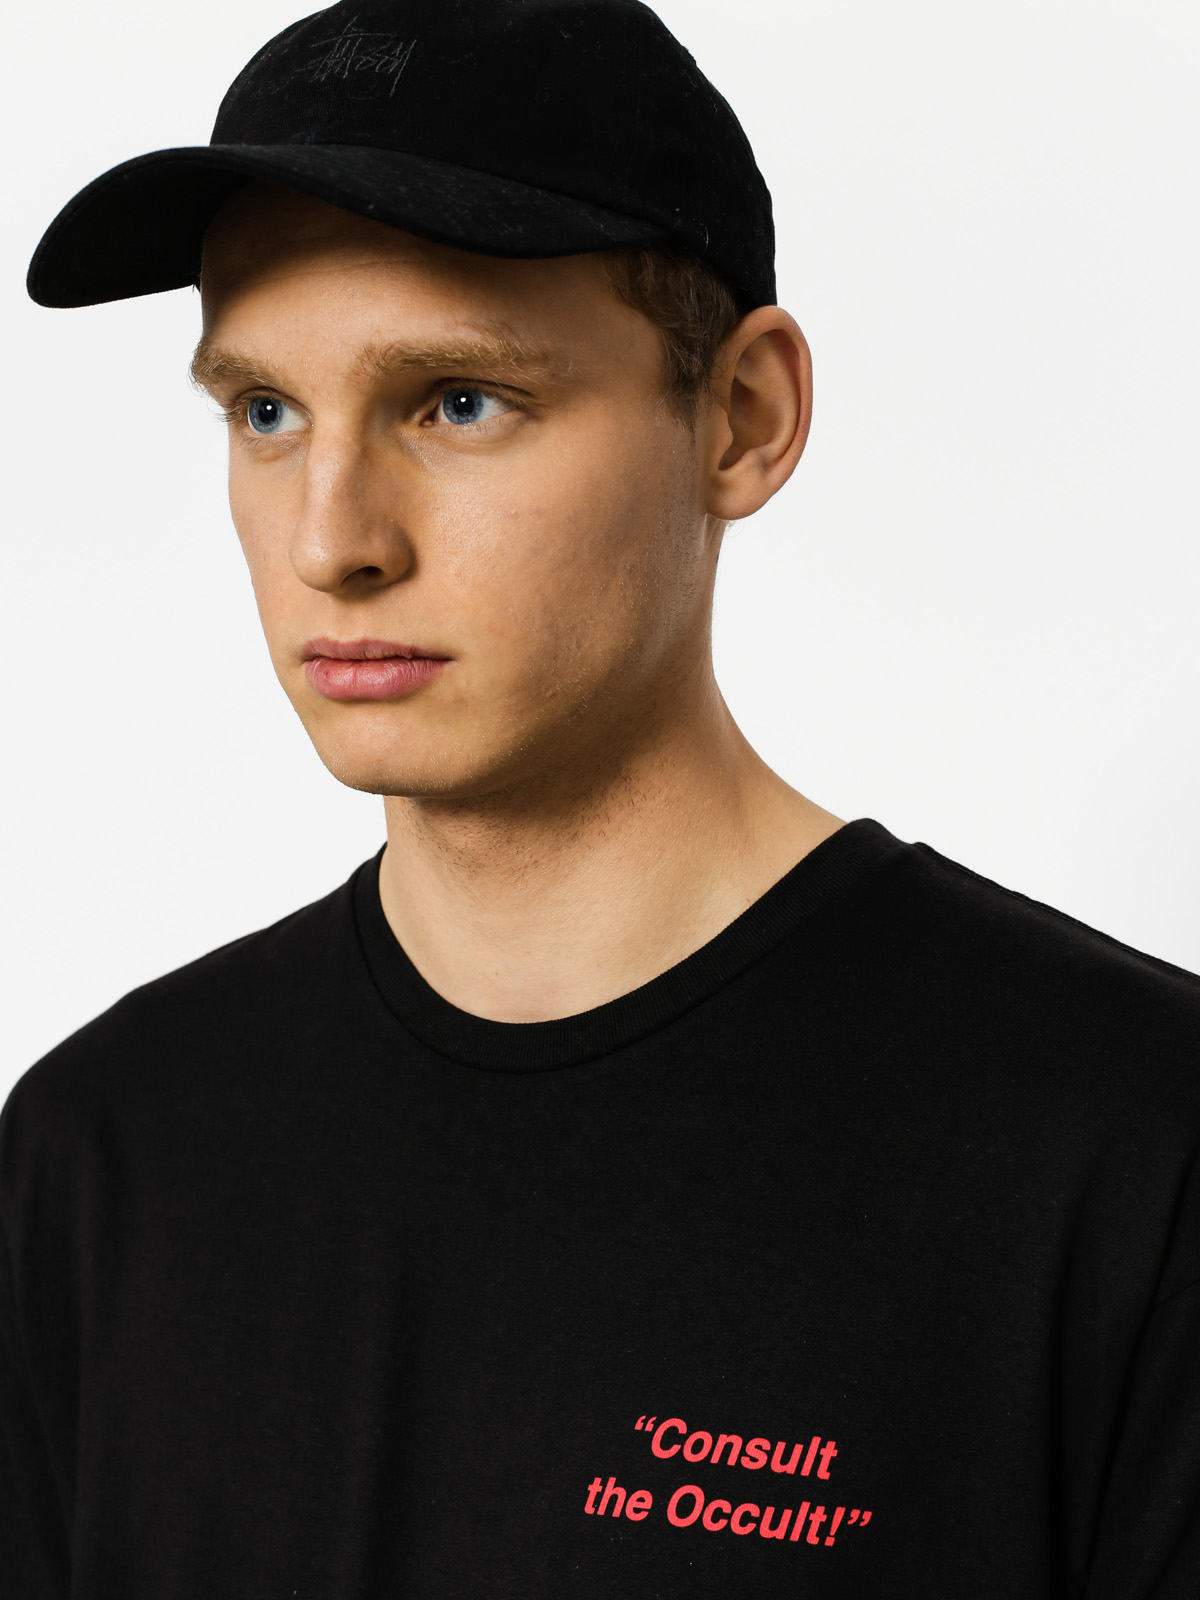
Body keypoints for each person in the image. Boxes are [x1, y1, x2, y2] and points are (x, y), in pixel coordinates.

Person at [3, 0, 1198, 1595]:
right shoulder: (97, 1156)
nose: (331, 541)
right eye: (265, 412)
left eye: (458, 400)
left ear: (745, 418)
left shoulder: (1129, 1148)